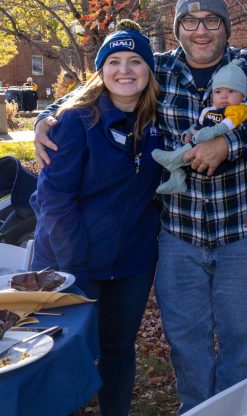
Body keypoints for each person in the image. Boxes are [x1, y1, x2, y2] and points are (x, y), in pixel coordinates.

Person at [34, 0, 247, 413]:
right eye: (191, 21)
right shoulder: (160, 69)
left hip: (243, 233)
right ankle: (197, 409)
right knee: (187, 348)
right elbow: (103, 84)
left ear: (225, 27)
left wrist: (229, 143)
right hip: (178, 237)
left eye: (212, 20)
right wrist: (48, 114)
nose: (201, 30)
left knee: (241, 344)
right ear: (178, 29)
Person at [30, 21, 162, 416]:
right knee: (60, 352)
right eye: (115, 61)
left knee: (118, 349)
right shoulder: (74, 122)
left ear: (148, 70)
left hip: (131, 264)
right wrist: (74, 269)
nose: (125, 70)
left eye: (136, 60)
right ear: (101, 71)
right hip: (70, 263)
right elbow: (54, 201)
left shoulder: (156, 122)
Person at [152, 58, 247, 194]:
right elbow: (198, 124)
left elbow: (228, 125)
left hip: (221, 157)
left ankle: (172, 159)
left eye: (231, 91)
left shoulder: (239, 109)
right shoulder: (209, 110)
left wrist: (211, 133)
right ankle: (178, 179)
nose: (223, 96)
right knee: (188, 152)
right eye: (218, 92)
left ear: (242, 95)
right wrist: (187, 133)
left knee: (186, 153)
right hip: (200, 143)